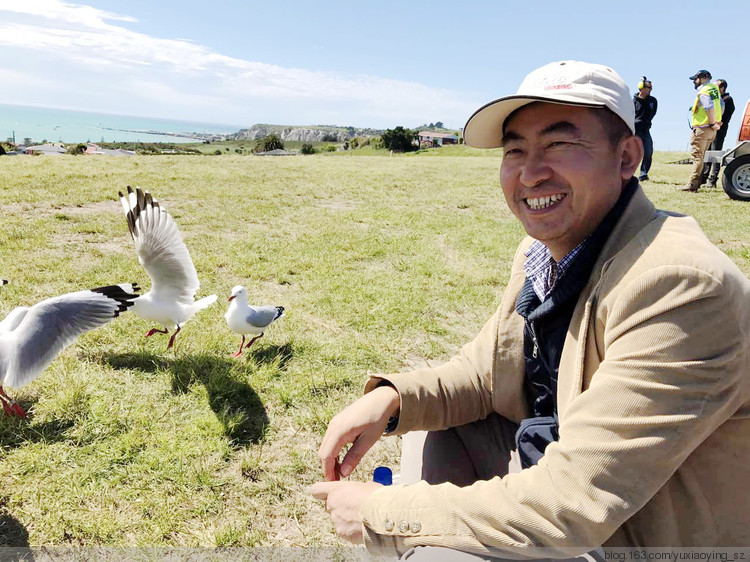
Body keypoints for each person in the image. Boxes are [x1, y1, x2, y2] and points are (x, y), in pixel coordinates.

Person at [310, 60, 750, 560]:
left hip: (635, 533)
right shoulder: (544, 252)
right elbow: (484, 376)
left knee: (435, 545)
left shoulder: (681, 286)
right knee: (442, 424)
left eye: (559, 144)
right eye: (515, 149)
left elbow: (573, 503)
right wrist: (391, 400)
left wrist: (385, 512)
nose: (530, 172)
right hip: (566, 476)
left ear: (627, 156)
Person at [679, 69, 722, 192]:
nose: (694, 82)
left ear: (702, 78)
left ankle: (692, 184)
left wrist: (713, 123)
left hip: (702, 129)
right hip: (711, 130)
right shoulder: (715, 90)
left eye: (695, 79)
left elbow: (708, 107)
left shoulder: (704, 91)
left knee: (697, 157)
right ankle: (697, 183)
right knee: (702, 157)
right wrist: (716, 123)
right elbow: (720, 106)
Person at [700, 78, 736, 187]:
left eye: (716, 87)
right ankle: (703, 178)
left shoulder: (727, 99)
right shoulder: (713, 99)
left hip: (719, 130)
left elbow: (726, 116)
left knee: (715, 154)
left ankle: (712, 180)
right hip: (710, 128)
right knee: (707, 153)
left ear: (722, 88)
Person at [633, 76, 657, 181]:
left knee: (648, 152)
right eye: (648, 87)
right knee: (631, 153)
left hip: (645, 131)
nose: (650, 90)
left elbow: (652, 113)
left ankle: (643, 174)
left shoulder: (653, 101)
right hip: (634, 130)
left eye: (651, 88)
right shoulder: (633, 101)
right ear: (641, 87)